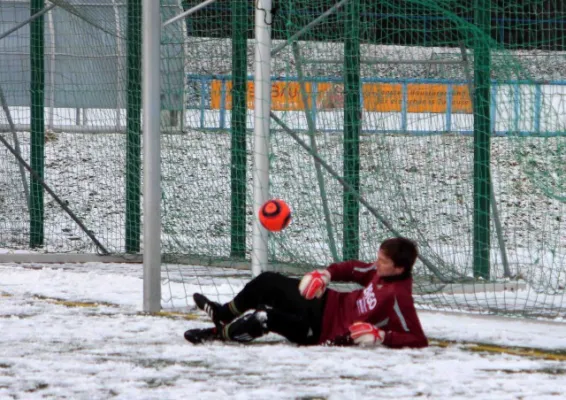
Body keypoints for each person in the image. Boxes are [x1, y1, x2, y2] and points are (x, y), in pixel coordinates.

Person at [185, 237, 428, 348]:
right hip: (324, 303)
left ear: (399, 268)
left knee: (264, 317)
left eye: (383, 261)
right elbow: (354, 269)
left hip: (322, 332)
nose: (377, 263)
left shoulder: (399, 296)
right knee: (267, 281)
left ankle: (217, 334)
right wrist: (327, 274)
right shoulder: (380, 271)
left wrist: (383, 336)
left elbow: (417, 338)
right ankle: (223, 313)